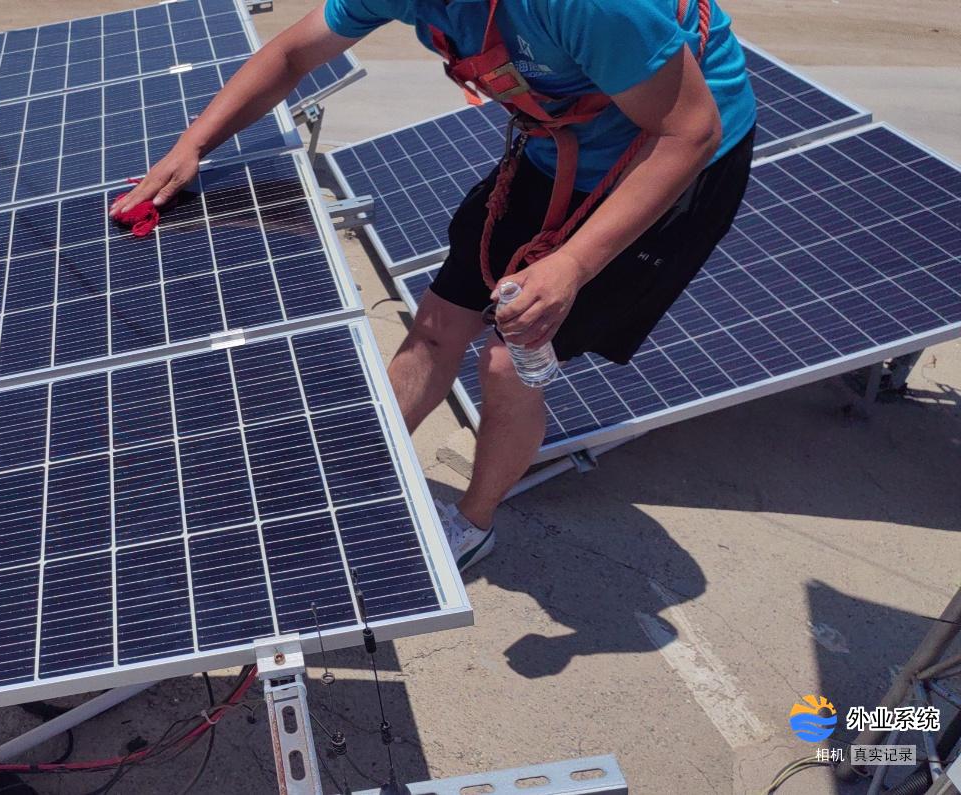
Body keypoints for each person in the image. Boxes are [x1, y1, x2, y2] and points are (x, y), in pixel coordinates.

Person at [111, 0, 757, 570]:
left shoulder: (588, 4)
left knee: (509, 360)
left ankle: (471, 524)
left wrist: (572, 264)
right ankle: (355, 480)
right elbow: (291, 54)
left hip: (676, 160)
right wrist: (194, 144)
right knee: (438, 324)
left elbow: (689, 132)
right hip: (557, 146)